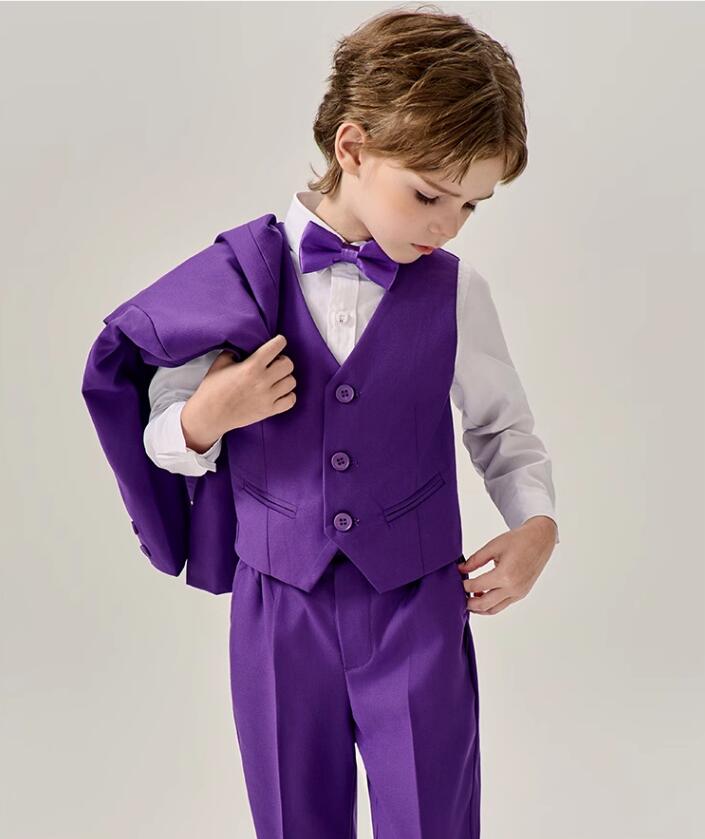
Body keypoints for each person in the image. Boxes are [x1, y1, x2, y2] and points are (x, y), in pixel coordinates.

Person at [83, 7, 559, 837]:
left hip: (415, 602)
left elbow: (501, 429)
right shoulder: (237, 276)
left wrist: (536, 524)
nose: (448, 225)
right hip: (278, 606)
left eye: (470, 206)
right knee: (290, 817)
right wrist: (206, 415)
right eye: (428, 195)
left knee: (433, 816)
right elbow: (160, 436)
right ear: (352, 148)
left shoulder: (456, 293)